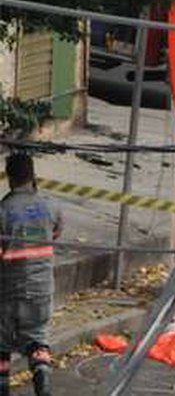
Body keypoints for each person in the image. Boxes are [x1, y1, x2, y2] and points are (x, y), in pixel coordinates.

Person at [1, 152, 63, 396]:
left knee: (2, 345)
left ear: (9, 177)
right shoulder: (51, 207)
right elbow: (56, 233)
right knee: (37, 339)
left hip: (8, 290)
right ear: (33, 175)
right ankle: (42, 377)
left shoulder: (3, 210)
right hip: (41, 288)